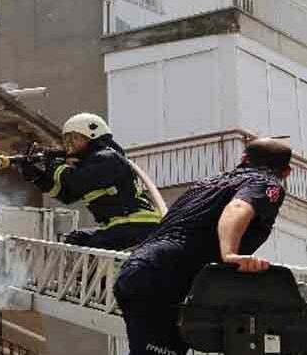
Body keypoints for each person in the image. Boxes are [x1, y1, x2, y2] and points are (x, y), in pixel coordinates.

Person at [113, 137, 292, 355]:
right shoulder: (267, 182)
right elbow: (237, 208)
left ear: (244, 159)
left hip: (140, 269)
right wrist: (230, 254)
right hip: (165, 276)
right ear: (286, 172)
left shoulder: (205, 183)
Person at [19, 113, 161, 250]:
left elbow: (76, 182)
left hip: (138, 225)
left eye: (74, 138)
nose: (69, 144)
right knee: (76, 239)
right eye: (66, 140)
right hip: (119, 227)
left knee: (91, 246)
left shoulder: (108, 157)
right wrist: (37, 176)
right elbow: (67, 195)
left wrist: (53, 165)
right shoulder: (90, 165)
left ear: (93, 135)